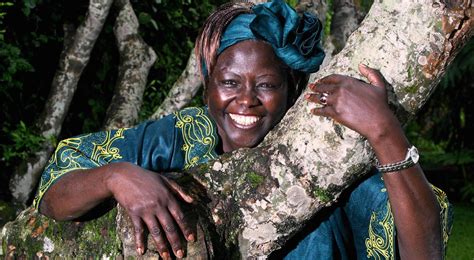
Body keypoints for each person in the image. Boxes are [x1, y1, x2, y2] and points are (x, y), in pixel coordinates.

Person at [34, 0, 451, 259]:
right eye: (229, 82)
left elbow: (423, 251)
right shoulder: (185, 135)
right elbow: (54, 197)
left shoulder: (323, 162)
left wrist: (384, 130)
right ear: (209, 84)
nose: (246, 100)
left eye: (267, 85)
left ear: (291, 90)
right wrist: (116, 175)